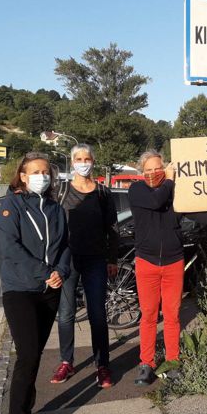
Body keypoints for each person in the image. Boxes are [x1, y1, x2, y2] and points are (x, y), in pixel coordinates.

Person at [129, 150, 207, 385]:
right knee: (148, 315)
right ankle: (146, 364)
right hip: (146, 262)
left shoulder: (174, 191)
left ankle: (173, 362)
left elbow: (201, 214)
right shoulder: (137, 191)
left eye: (159, 168)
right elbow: (156, 201)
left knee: (172, 315)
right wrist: (169, 179)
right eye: (150, 169)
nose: (155, 173)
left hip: (173, 262)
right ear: (141, 172)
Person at [0, 152, 70, 414]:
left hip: (48, 291)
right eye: (35, 171)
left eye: (46, 171)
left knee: (35, 354)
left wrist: (61, 272)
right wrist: (46, 272)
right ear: (23, 176)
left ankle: (27, 413)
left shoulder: (55, 208)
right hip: (20, 290)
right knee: (26, 355)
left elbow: (65, 244)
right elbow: (10, 247)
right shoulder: (10, 205)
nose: (42, 175)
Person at [50, 144, 118, 388]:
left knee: (97, 315)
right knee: (66, 314)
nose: (83, 162)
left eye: (87, 158)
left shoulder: (102, 192)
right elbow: (51, 226)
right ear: (72, 162)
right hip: (67, 261)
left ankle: (102, 365)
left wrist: (112, 258)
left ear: (93, 161)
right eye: (78, 158)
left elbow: (112, 227)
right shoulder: (62, 190)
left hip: (96, 260)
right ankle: (66, 362)